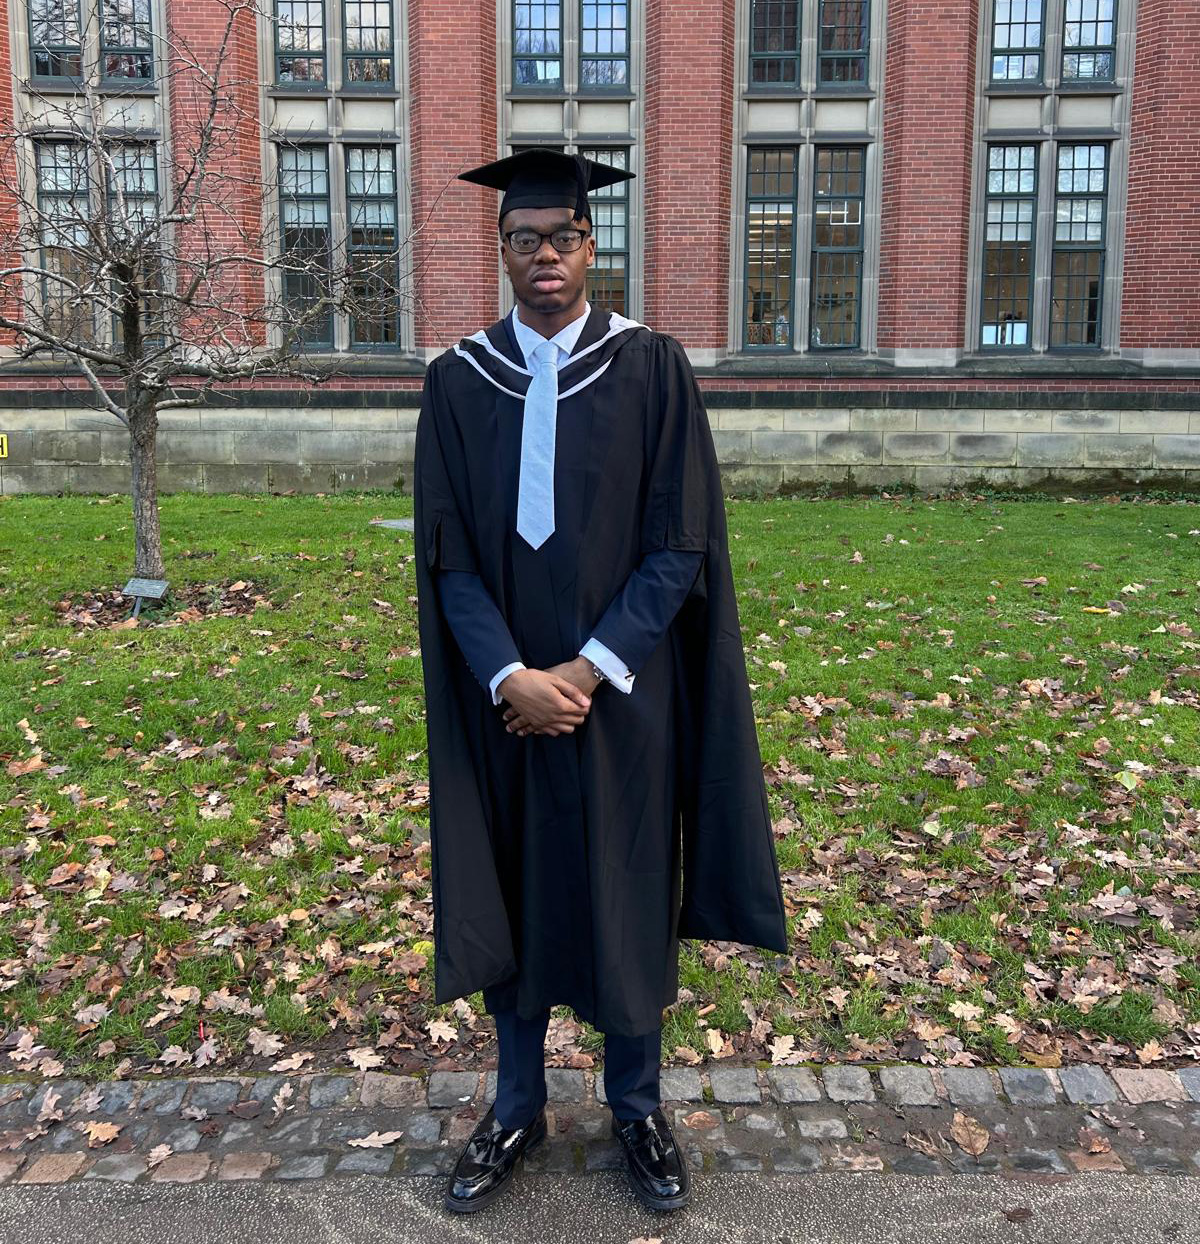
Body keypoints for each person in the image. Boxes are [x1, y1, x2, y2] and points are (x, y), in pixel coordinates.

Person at [412, 147, 789, 1215]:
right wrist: (507, 675)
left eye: (564, 238)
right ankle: (516, 1099)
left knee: (625, 887)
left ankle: (636, 1102)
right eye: (524, 239)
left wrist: (584, 668)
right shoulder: (455, 381)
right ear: (501, 250)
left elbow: (681, 543)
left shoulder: (652, 369)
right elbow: (448, 557)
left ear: (592, 245)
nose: (545, 256)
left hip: (622, 697)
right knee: (516, 885)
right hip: (507, 707)